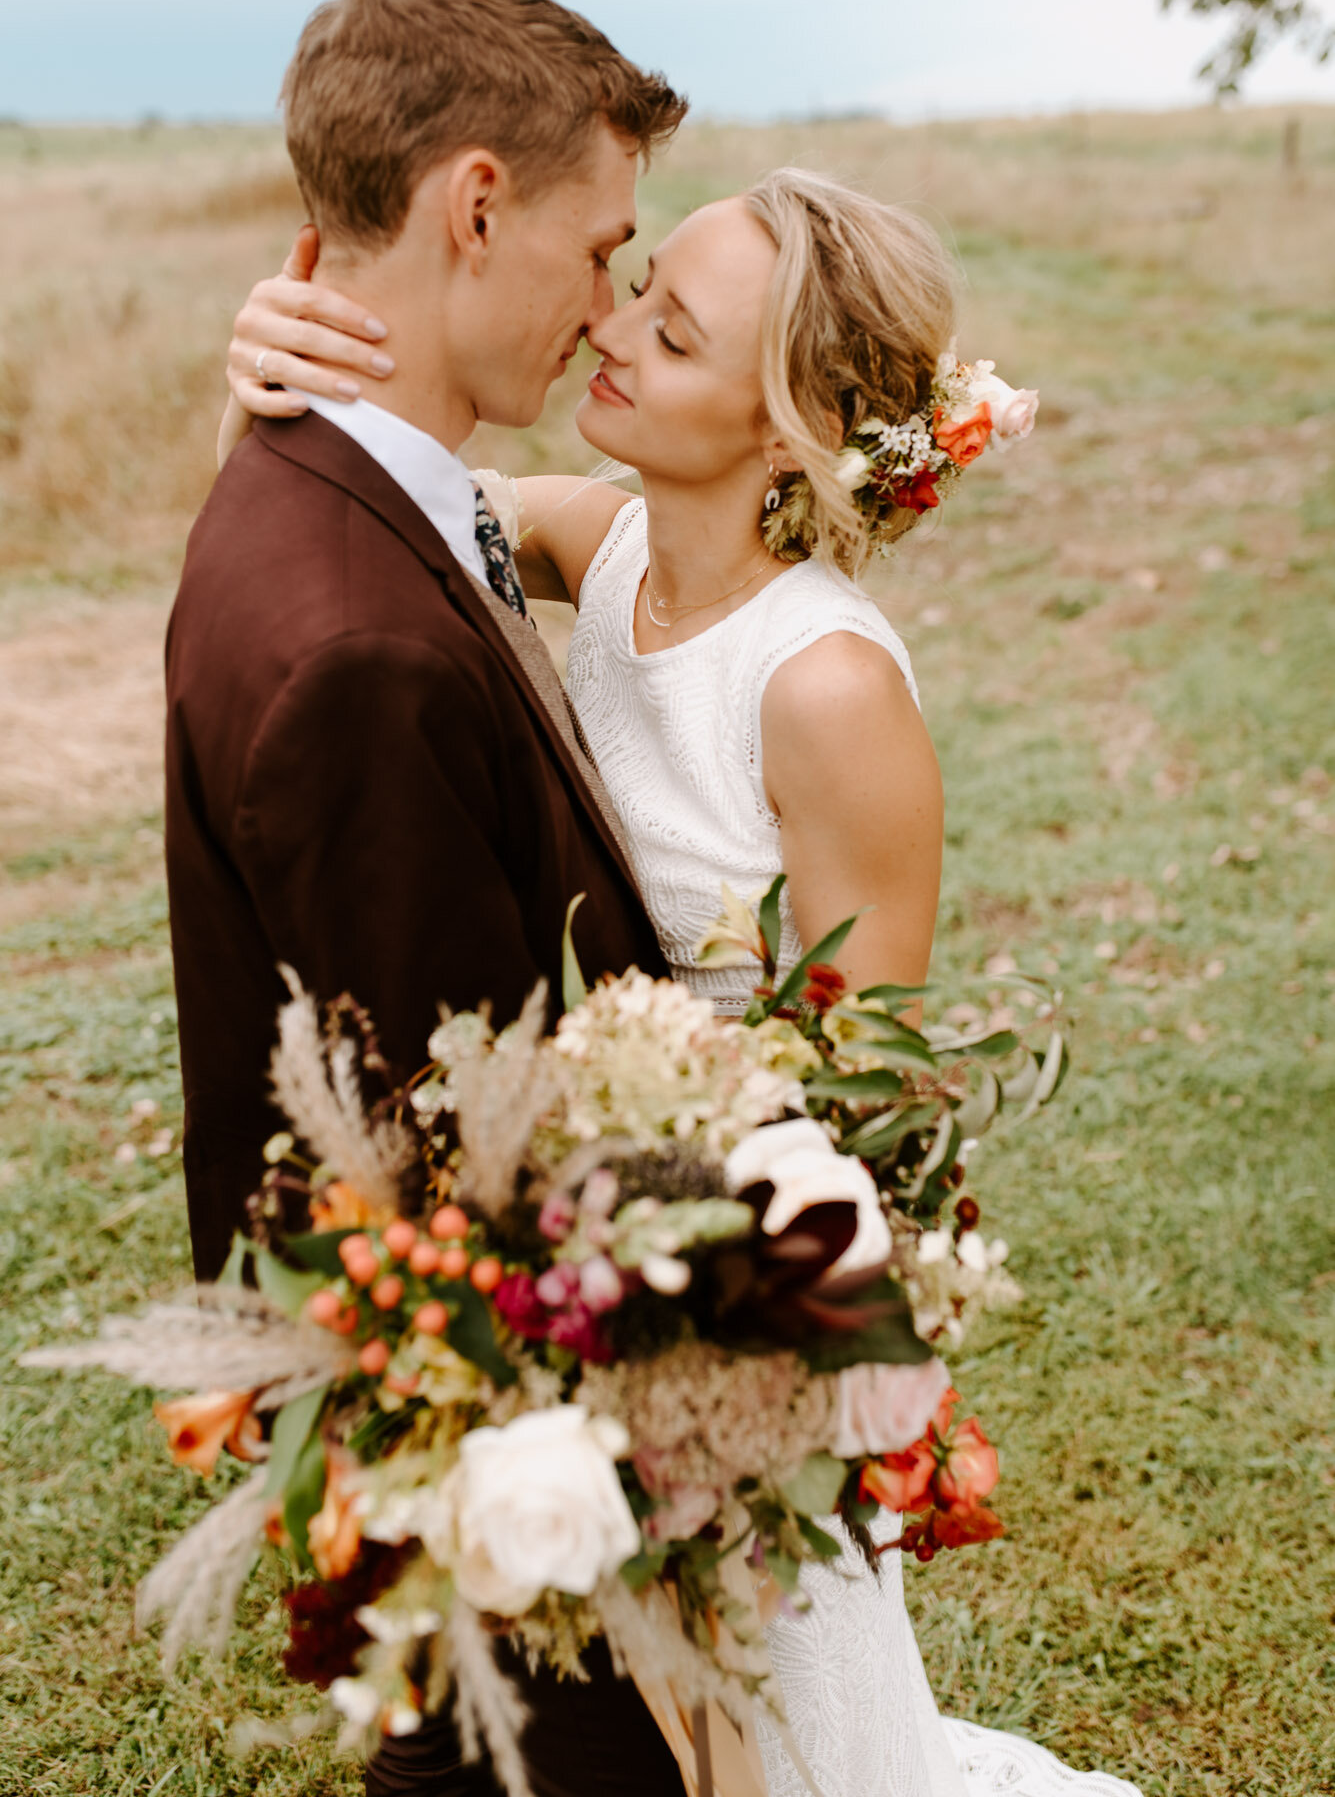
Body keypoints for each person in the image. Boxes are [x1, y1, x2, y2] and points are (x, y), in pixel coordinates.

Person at [228, 149, 1142, 1797]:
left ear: (782, 423)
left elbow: (879, 1093)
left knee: (756, 1717)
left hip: (737, 1262)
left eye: (676, 329)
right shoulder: (613, 542)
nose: (613, 332)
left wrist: (692, 1299)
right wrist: (283, 366)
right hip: (588, 1212)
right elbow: (383, 507)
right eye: (637, 286)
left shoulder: (827, 690)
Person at [166, 0, 691, 1797]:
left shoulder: (321, 488)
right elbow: (473, 1183)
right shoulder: (355, 645)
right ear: (477, 204)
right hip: (507, 1474)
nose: (613, 301)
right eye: (605, 245)